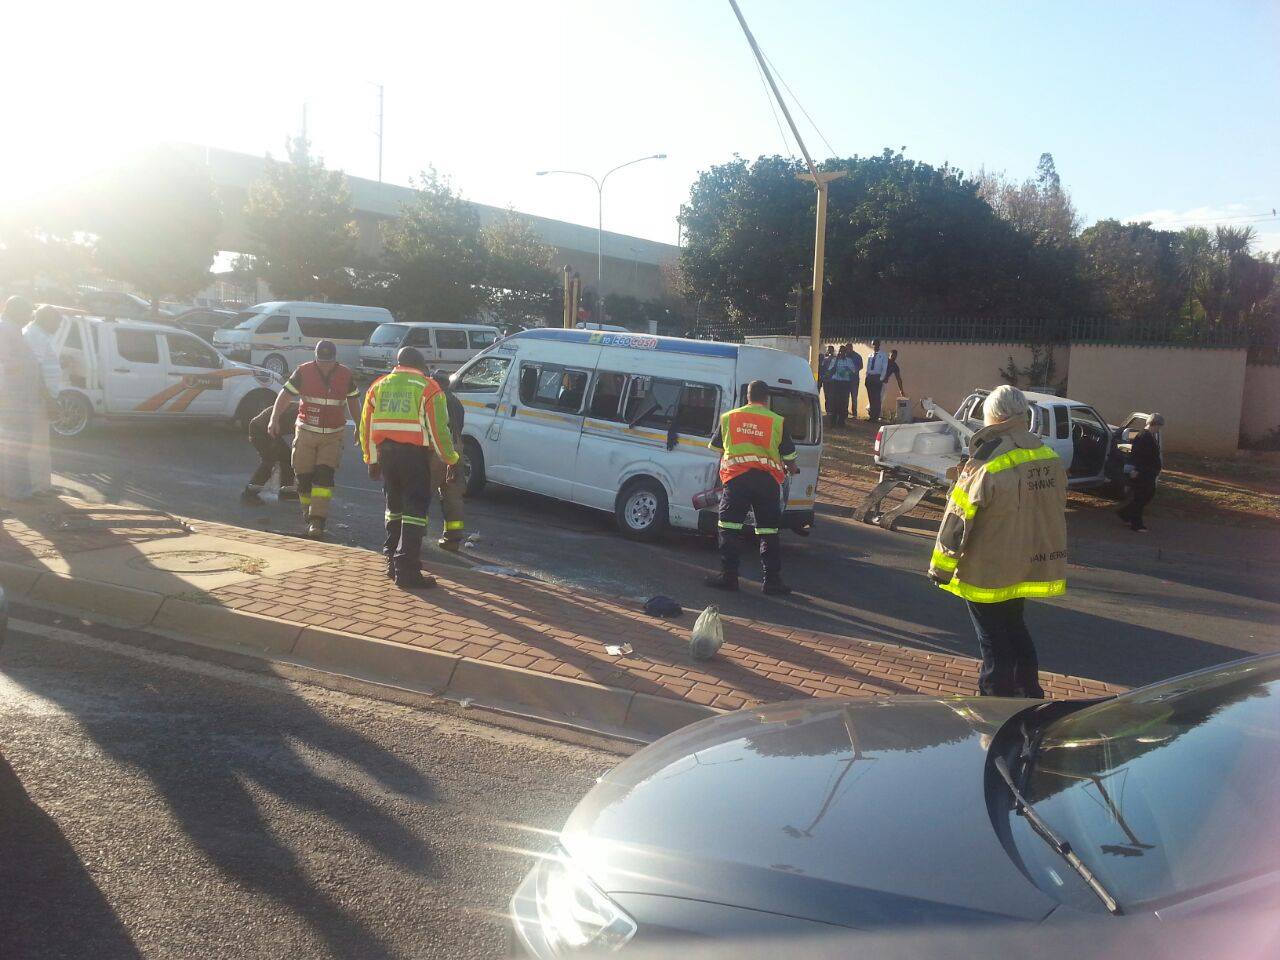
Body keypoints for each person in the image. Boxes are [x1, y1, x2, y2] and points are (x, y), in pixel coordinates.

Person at [927, 384, 1067, 698]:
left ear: (997, 416)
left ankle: (994, 703)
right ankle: (1029, 691)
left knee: (993, 641)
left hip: (988, 568)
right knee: (1015, 627)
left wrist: (941, 567)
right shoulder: (1046, 455)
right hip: (1026, 564)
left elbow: (958, 519)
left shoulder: (986, 459)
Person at [359, 347, 460, 589]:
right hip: (413, 457)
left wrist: (371, 460)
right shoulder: (428, 387)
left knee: (393, 508)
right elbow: (439, 430)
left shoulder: (378, 385)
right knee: (415, 510)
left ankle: (391, 562)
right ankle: (407, 570)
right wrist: (451, 460)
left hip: (386, 456)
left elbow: (366, 427)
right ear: (421, 365)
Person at [705, 379, 801, 596]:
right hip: (766, 483)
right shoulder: (777, 421)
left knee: (728, 527)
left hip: (736, 480)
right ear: (766, 398)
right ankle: (772, 581)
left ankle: (729, 577)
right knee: (768, 531)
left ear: (747, 396)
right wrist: (793, 469)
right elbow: (789, 457)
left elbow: (718, 448)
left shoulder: (729, 418)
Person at [268, 340, 360, 539]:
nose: (325, 364)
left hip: (333, 434)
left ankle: (317, 520)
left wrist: (359, 426)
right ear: (316, 358)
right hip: (306, 432)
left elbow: (353, 401)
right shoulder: (303, 372)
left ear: (335, 359)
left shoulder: (345, 374)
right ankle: (307, 513)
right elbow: (284, 395)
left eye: (328, 361)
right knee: (303, 477)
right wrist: (274, 418)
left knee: (324, 476)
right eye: (321, 361)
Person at [0, 296, 46, 504]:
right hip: (11, 399)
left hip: (18, 398)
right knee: (17, 446)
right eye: (28, 312)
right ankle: (17, 491)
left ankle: (14, 489)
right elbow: (7, 366)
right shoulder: (5, 330)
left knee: (17, 446)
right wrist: (28, 366)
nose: (30, 317)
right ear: (16, 311)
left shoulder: (11, 329)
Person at [23, 305, 64, 494]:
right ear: (47, 319)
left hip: (38, 397)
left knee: (40, 444)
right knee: (36, 445)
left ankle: (41, 485)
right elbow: (35, 370)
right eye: (57, 322)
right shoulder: (36, 336)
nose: (58, 326)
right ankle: (37, 487)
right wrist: (49, 400)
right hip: (37, 398)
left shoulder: (36, 333)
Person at [430, 370, 467, 551]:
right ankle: (452, 539)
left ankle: (415, 538)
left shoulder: (434, 398)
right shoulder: (456, 402)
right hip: (456, 450)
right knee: (453, 497)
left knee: (421, 495)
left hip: (436, 451)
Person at [241, 400, 298, 504]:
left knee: (287, 459)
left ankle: (286, 491)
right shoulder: (302, 413)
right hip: (260, 429)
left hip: (270, 430)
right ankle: (249, 494)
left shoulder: (303, 410)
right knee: (270, 461)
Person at [1118, 413, 1165, 533]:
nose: (1159, 429)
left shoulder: (1149, 436)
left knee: (1147, 495)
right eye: (1159, 426)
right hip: (1142, 472)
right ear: (1154, 424)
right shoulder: (1143, 436)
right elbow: (1137, 455)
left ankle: (1125, 513)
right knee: (1141, 497)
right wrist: (1135, 470)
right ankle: (1136, 524)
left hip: (1148, 472)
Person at [826, 345, 857, 427]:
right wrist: (835, 363)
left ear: (845, 352)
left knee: (843, 403)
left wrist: (845, 372)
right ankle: (833, 422)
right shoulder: (834, 360)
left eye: (843, 351)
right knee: (834, 402)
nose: (841, 353)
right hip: (835, 382)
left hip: (845, 384)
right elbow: (830, 370)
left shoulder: (849, 361)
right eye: (840, 351)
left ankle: (841, 422)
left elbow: (853, 371)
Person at [864, 339, 889, 422]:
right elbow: (868, 366)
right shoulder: (870, 355)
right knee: (871, 398)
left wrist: (881, 378)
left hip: (877, 377)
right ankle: (871, 416)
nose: (874, 346)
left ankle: (876, 416)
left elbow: (884, 367)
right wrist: (867, 376)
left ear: (879, 345)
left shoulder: (883, 355)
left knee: (877, 398)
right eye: (873, 344)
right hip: (870, 377)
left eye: (876, 344)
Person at [817, 345, 836, 411]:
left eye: (830, 350)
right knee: (826, 395)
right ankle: (826, 409)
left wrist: (827, 374)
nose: (829, 351)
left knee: (829, 395)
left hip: (831, 379)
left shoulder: (835, 358)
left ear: (833, 351)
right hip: (824, 379)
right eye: (828, 349)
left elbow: (832, 368)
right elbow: (822, 368)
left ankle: (829, 410)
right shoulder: (824, 358)